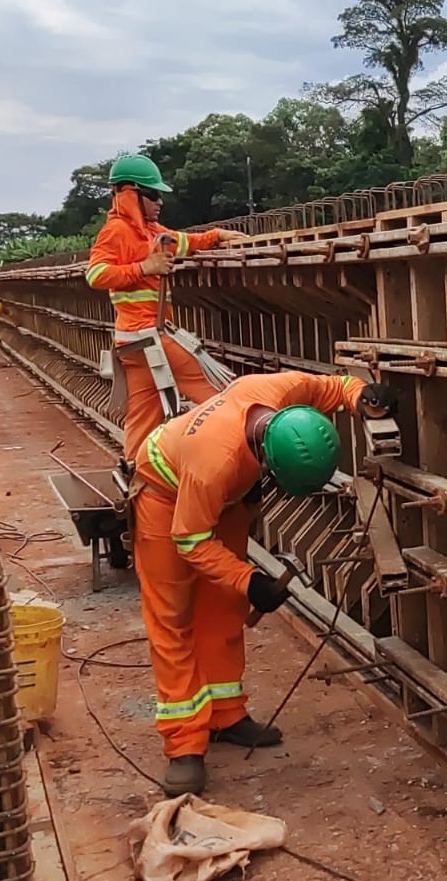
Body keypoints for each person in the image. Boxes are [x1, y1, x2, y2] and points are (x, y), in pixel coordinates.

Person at [130, 370, 373, 797]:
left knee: (224, 606)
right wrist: (250, 580)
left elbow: (334, 386)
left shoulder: (280, 393)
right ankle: (184, 743)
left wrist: (363, 397)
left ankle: (226, 715)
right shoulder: (213, 463)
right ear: (266, 460)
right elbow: (189, 539)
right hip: (165, 499)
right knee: (173, 619)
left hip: (225, 499)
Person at [84, 154, 248, 462]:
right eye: (154, 194)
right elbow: (95, 274)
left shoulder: (150, 230)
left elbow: (183, 241)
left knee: (143, 419)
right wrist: (144, 267)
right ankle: (230, 458)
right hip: (149, 338)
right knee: (219, 395)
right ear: (130, 192)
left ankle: (134, 477)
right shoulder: (116, 231)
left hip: (136, 344)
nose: (160, 201)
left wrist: (218, 236)